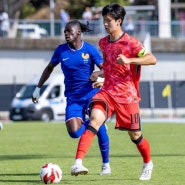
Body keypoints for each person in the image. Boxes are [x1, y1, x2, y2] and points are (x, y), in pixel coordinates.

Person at [72, 3, 157, 181]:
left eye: (109, 21)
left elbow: (152, 59)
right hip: (107, 92)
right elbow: (112, 68)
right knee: (95, 119)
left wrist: (129, 59)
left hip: (127, 96)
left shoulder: (131, 42)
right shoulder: (103, 43)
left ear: (119, 21)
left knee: (135, 136)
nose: (105, 24)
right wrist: (100, 74)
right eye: (104, 20)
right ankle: (78, 162)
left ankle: (148, 163)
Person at [32, 20, 111, 176]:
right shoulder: (61, 51)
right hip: (73, 98)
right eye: (65, 32)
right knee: (75, 133)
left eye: (69, 31)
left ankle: (106, 165)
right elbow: (49, 68)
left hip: (91, 95)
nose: (66, 34)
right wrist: (37, 88)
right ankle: (93, 124)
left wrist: (98, 74)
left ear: (78, 32)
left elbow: (107, 69)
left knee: (98, 125)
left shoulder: (89, 50)